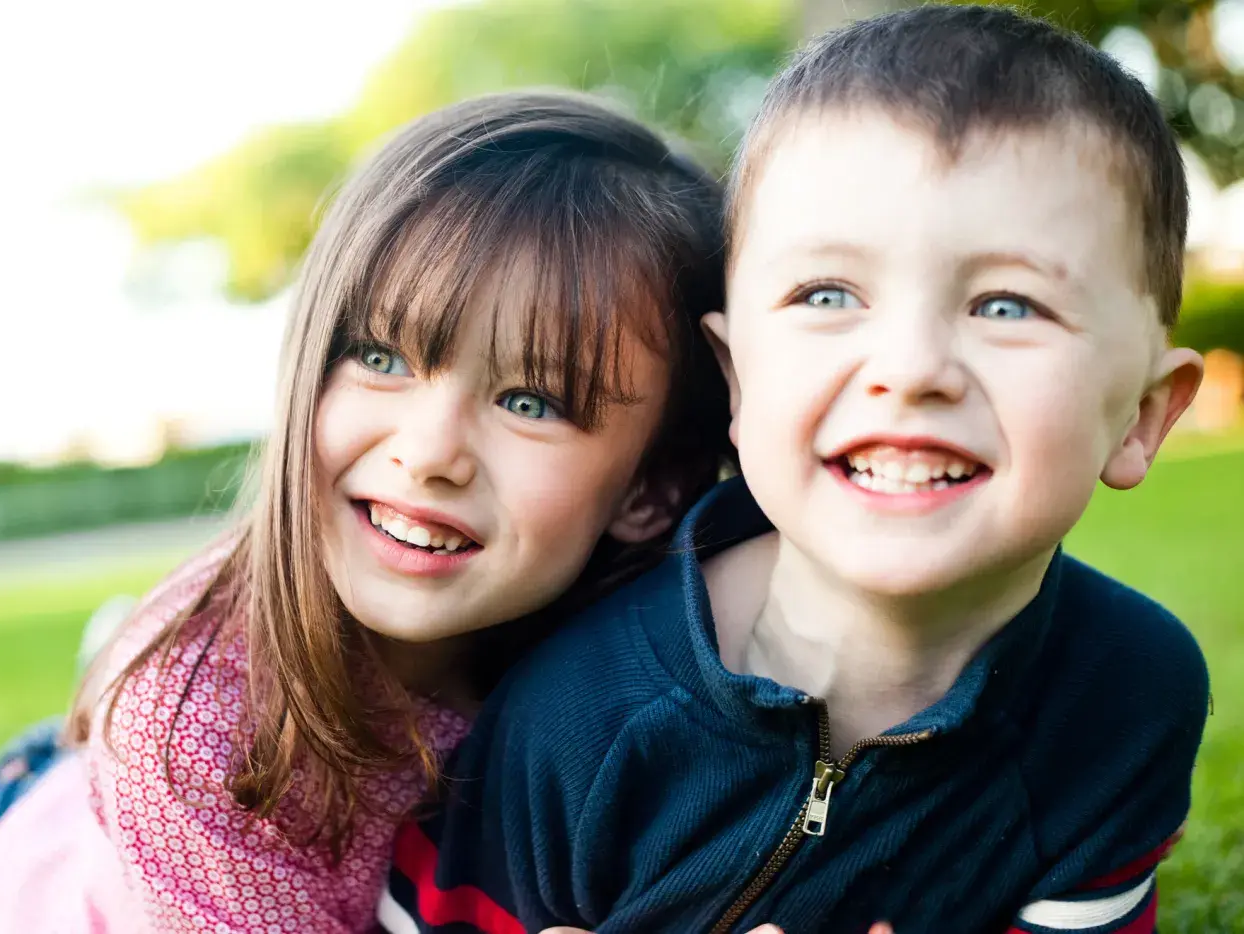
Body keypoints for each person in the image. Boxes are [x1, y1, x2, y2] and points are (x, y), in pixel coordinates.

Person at [0, 89, 739, 933]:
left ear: (651, 489)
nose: (429, 451)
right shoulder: (210, 740)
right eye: (381, 357)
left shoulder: (651, 658)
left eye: (531, 401)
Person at [383, 7, 1210, 933]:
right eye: (827, 294)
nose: (910, 368)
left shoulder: (1130, 694)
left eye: (1008, 304)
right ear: (736, 382)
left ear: (1141, 417)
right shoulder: (573, 718)